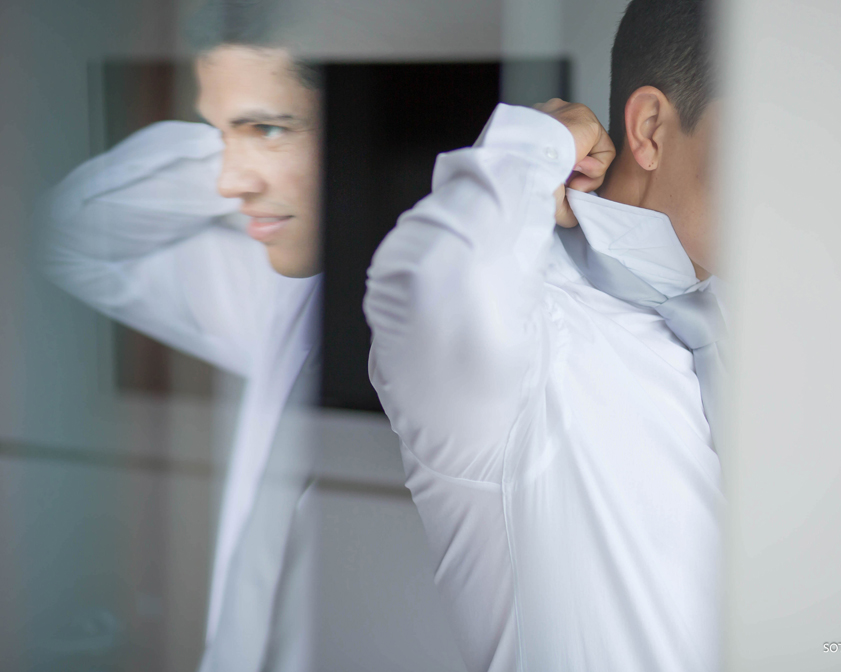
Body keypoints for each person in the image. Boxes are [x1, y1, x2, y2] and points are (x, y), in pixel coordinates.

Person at [363, 0, 725, 670]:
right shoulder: (531, 337)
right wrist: (535, 145)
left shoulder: (760, 331)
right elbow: (425, 282)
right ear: (650, 128)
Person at [45, 3, 329, 670]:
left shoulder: (535, 324)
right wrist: (253, 138)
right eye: (219, 134)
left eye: (268, 126)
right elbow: (66, 232)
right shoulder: (277, 298)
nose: (230, 181)